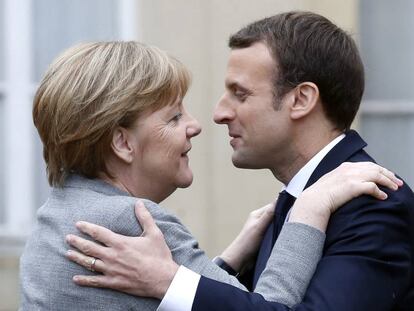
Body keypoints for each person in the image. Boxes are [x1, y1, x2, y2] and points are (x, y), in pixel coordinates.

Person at [65, 11, 414, 311]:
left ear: (301, 99)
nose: (218, 113)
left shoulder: (375, 206)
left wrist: (171, 280)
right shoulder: (290, 204)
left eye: (240, 94)